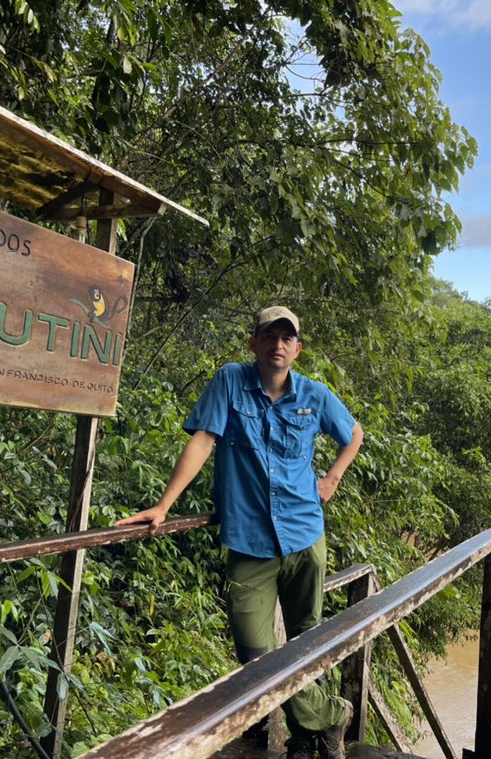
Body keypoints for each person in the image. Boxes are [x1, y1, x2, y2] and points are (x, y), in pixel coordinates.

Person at [115, 305, 364, 759]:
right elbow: (203, 440)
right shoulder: (230, 381)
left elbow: (354, 434)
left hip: (305, 533)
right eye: (269, 335)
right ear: (254, 342)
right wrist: (163, 506)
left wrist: (331, 480)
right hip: (250, 540)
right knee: (256, 649)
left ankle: (308, 737)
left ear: (298, 349)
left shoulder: (315, 395)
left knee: (307, 636)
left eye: (287, 338)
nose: (278, 345)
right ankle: (330, 715)